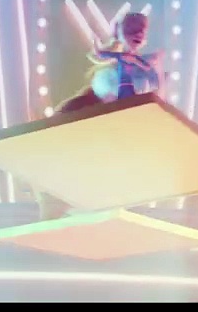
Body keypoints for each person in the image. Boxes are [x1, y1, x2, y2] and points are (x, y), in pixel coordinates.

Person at [33, 12, 165, 221]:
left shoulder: (145, 68)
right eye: (132, 29)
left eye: (142, 30)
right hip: (91, 128)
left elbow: (155, 98)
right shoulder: (107, 72)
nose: (138, 34)